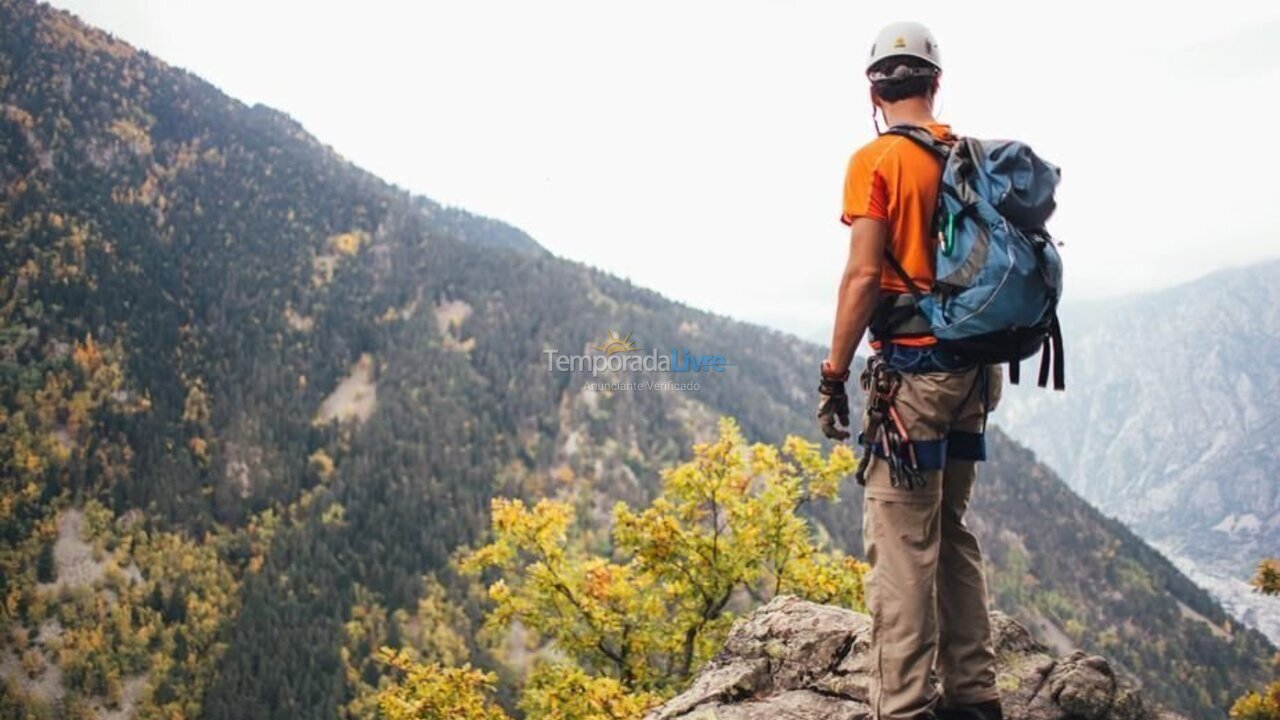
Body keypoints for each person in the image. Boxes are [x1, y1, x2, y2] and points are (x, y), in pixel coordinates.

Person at [817, 21, 1004, 720]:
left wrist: (835, 373)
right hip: (975, 375)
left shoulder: (876, 162)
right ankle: (975, 696)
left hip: (913, 382)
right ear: (934, 84)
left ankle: (900, 708)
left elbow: (863, 276)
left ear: (874, 89)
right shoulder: (967, 157)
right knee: (951, 529)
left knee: (900, 546)